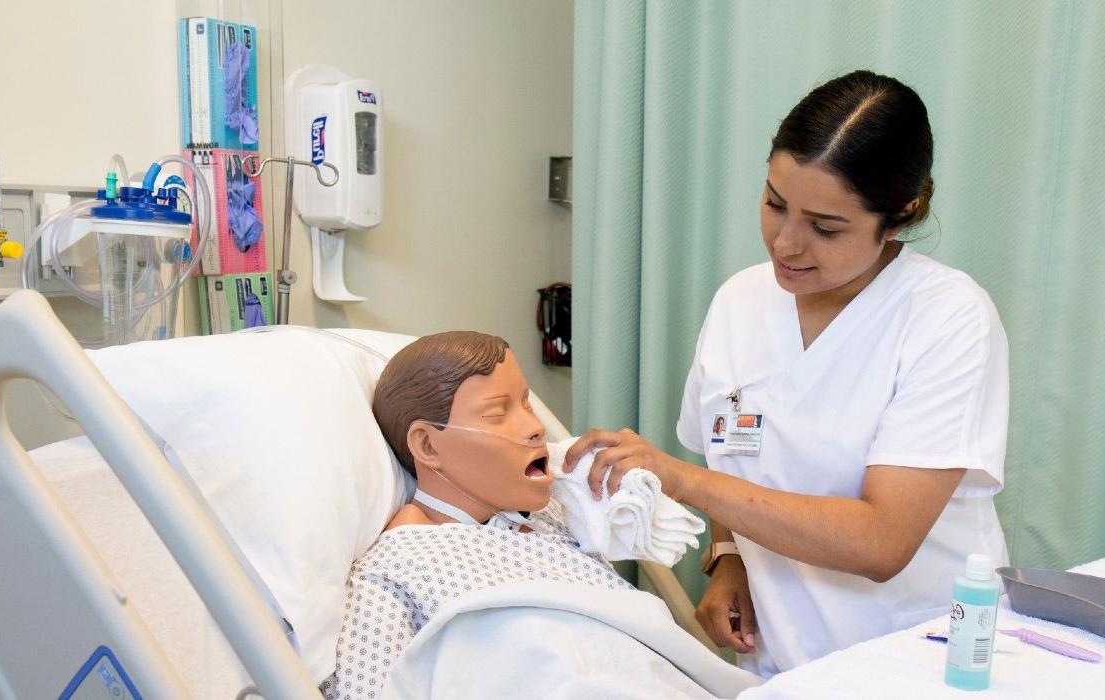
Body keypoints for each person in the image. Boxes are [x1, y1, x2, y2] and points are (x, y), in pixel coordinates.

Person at [565, 70, 1011, 677]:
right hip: (779, 664)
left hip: (916, 661)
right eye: (775, 204)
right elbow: (730, 455)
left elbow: (881, 543)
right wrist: (728, 559)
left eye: (825, 228)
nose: (786, 244)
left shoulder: (946, 318)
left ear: (901, 215)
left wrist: (678, 479)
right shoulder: (739, 302)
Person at [321, 332, 633, 699]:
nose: (535, 428)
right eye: (498, 413)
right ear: (427, 445)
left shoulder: (555, 516)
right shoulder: (397, 573)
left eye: (526, 404)